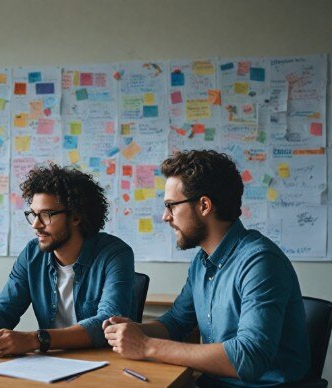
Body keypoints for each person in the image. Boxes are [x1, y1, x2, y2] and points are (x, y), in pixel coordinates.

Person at [104, 150, 310, 387]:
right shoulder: (202, 261)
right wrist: (134, 331)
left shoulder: (261, 262)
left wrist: (146, 345)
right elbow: (176, 323)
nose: (165, 217)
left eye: (171, 206)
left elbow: (250, 357)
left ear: (204, 205)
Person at [0, 164, 134, 357]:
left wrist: (35, 339)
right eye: (33, 214)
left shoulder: (115, 254)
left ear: (75, 217)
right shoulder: (32, 254)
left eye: (46, 215)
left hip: (103, 362)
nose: (36, 225)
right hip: (50, 360)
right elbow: (5, 308)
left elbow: (108, 324)